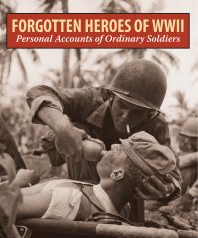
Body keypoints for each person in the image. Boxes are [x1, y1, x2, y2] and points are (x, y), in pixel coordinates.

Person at [26, 59, 180, 201]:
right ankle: (81, 199)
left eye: (137, 112)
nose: (125, 117)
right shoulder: (93, 99)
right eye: (122, 105)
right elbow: (38, 93)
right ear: (111, 96)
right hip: (76, 174)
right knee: (79, 129)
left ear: (150, 113)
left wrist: (167, 189)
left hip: (124, 195)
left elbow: (173, 175)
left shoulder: (155, 124)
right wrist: (63, 128)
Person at [16, 132, 179, 221]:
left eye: (118, 149)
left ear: (117, 173)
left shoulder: (70, 199)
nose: (113, 145)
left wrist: (17, 182)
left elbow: (4, 207)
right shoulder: (123, 209)